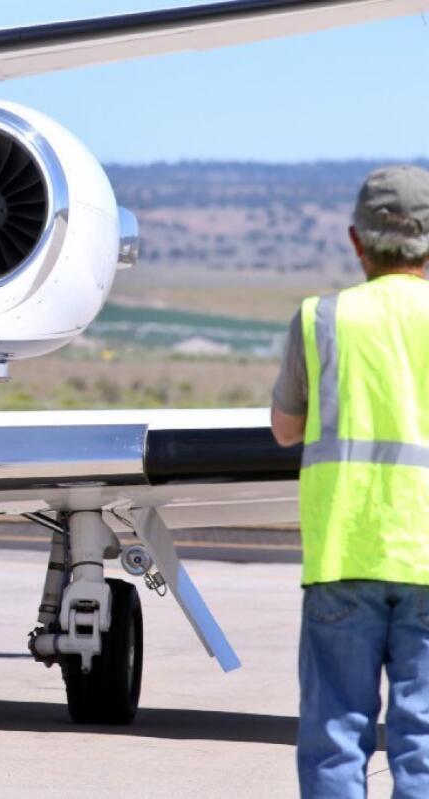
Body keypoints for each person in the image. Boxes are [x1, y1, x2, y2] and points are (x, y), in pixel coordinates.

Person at [271, 165, 429, 798]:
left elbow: (286, 429)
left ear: (356, 240)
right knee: (421, 742)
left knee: (336, 734)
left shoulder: (321, 319)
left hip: (343, 554)